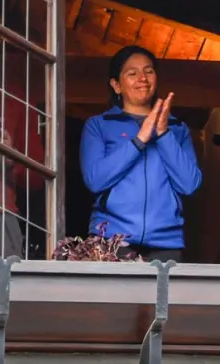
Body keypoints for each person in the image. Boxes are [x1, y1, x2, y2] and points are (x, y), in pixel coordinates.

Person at [79, 45, 202, 262]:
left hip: (166, 243)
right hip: (112, 240)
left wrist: (163, 134)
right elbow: (95, 180)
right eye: (132, 73)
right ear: (116, 85)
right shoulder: (99, 125)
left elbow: (190, 184)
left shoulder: (177, 129)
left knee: (163, 297)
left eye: (149, 71)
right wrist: (139, 140)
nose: (142, 78)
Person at [0, 0, 44, 259]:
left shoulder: (14, 94)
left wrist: (9, 157)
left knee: (6, 291)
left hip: (0, 208)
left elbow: (38, 174)